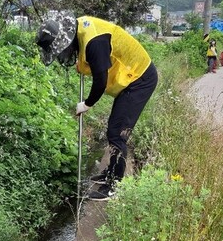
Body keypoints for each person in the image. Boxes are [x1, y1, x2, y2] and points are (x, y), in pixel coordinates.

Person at [36, 14, 158, 201]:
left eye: (61, 51)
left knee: (117, 133)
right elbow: (94, 62)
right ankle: (110, 172)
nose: (63, 55)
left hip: (139, 79)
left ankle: (114, 186)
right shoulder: (81, 30)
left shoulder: (94, 42)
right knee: (114, 128)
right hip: (131, 79)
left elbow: (100, 81)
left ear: (65, 41)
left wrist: (87, 104)